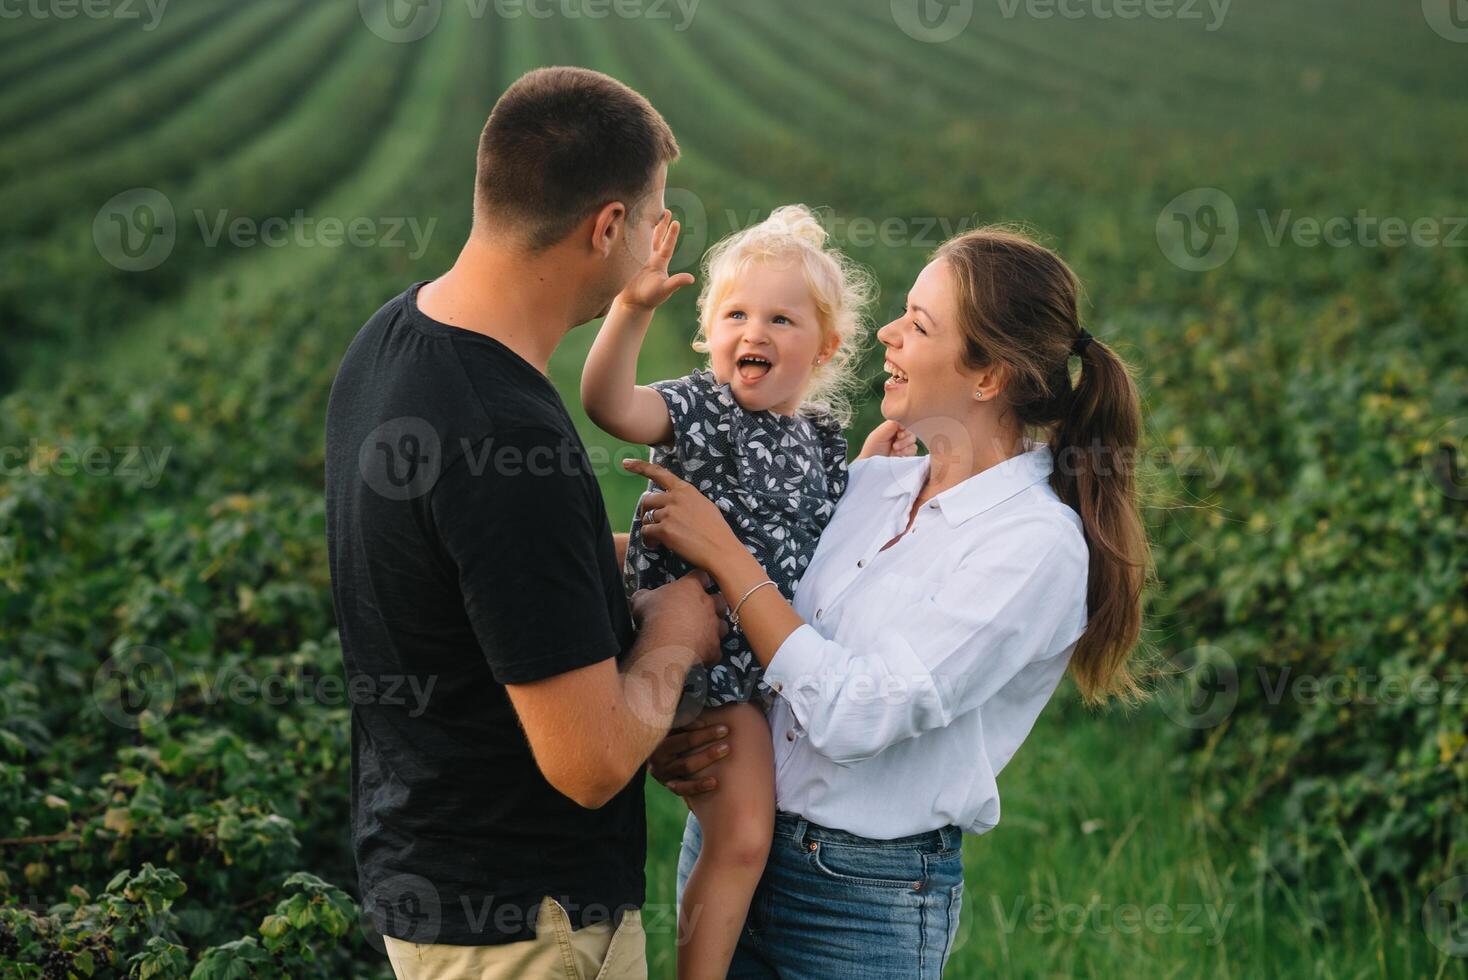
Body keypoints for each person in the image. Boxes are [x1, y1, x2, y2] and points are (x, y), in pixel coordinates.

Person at [628, 226, 1151, 978]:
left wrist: (726, 557)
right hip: (734, 843)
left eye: (919, 323)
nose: (886, 332)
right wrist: (690, 738)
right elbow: (764, 632)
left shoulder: (1035, 546)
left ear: (988, 376)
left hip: (859, 902)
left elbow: (857, 713)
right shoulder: (874, 484)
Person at [324, 67, 726, 980]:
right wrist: (671, 637)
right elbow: (587, 761)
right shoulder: (504, 436)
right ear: (609, 226)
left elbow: (468, 579)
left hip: (434, 873)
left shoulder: (394, 337)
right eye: (651, 220)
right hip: (527, 927)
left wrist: (628, 561)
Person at [580, 204, 875, 979]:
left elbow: (833, 533)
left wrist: (875, 456)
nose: (757, 332)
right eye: (737, 314)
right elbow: (609, 404)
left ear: (826, 348)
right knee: (744, 834)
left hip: (768, 667)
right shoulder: (704, 412)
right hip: (711, 662)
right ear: (709, 335)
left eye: (782, 319)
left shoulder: (820, 439)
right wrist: (630, 310)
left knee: (746, 835)